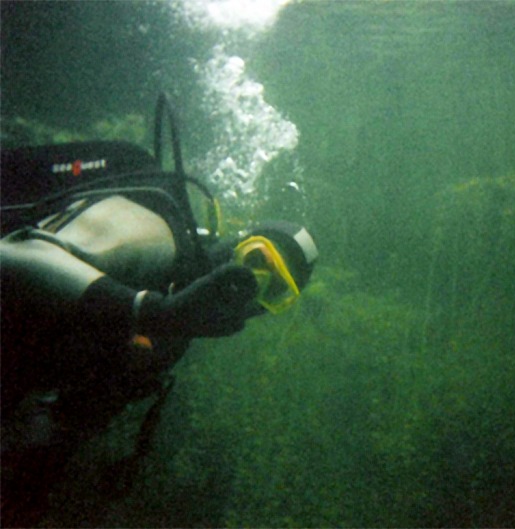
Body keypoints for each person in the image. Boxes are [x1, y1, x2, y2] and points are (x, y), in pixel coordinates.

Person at [0, 95, 318, 527]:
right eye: (257, 260)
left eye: (275, 291)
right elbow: (13, 253)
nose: (252, 286)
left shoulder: (171, 340)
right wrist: (151, 311)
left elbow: (67, 414)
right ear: (239, 241)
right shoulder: (159, 234)